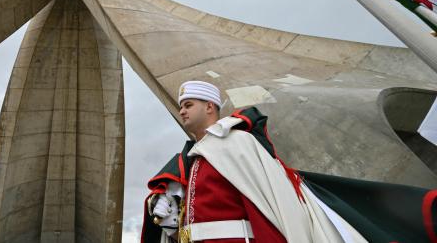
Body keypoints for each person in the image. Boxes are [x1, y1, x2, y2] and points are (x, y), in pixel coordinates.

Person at [142, 81, 437, 243]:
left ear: (210, 107)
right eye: (181, 106)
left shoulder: (235, 142)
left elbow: (267, 202)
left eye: (188, 105)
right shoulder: (196, 157)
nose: (182, 111)